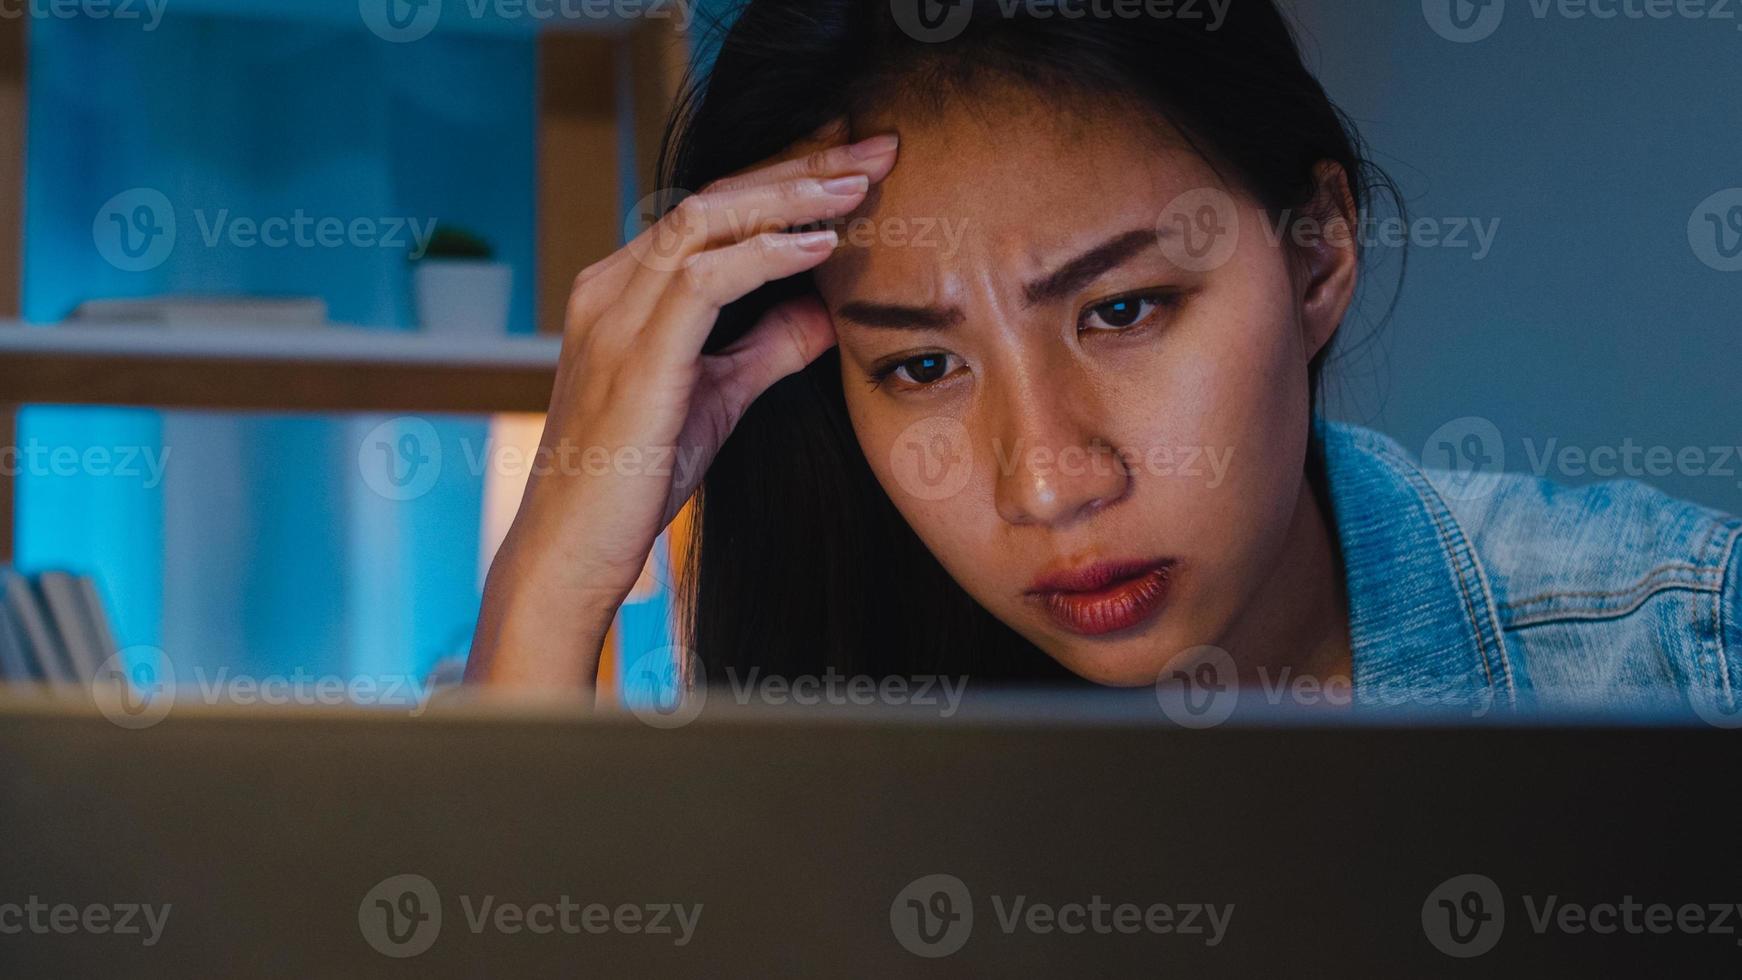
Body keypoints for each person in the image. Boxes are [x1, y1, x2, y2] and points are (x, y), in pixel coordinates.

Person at [465, 0, 1742, 717]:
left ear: (1314, 256)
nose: (1046, 483)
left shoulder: (1685, 657)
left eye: (1121, 311)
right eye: (919, 367)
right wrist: (546, 588)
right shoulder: (813, 752)